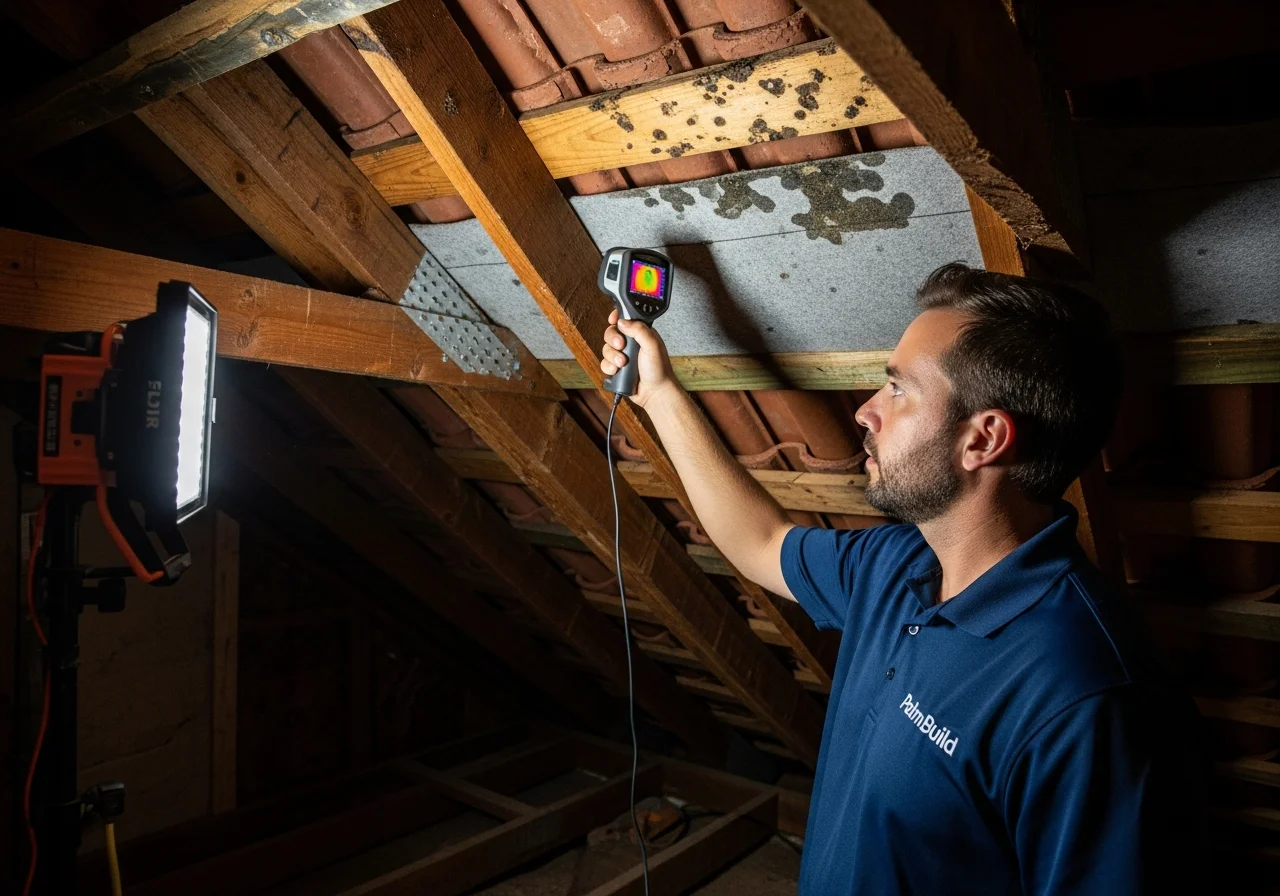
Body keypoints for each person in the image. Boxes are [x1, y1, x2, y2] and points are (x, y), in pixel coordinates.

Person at [599, 262, 1205, 895]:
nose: (865, 412)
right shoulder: (896, 564)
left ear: (983, 440)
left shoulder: (1088, 699)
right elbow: (762, 542)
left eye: (897, 389)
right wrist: (659, 393)